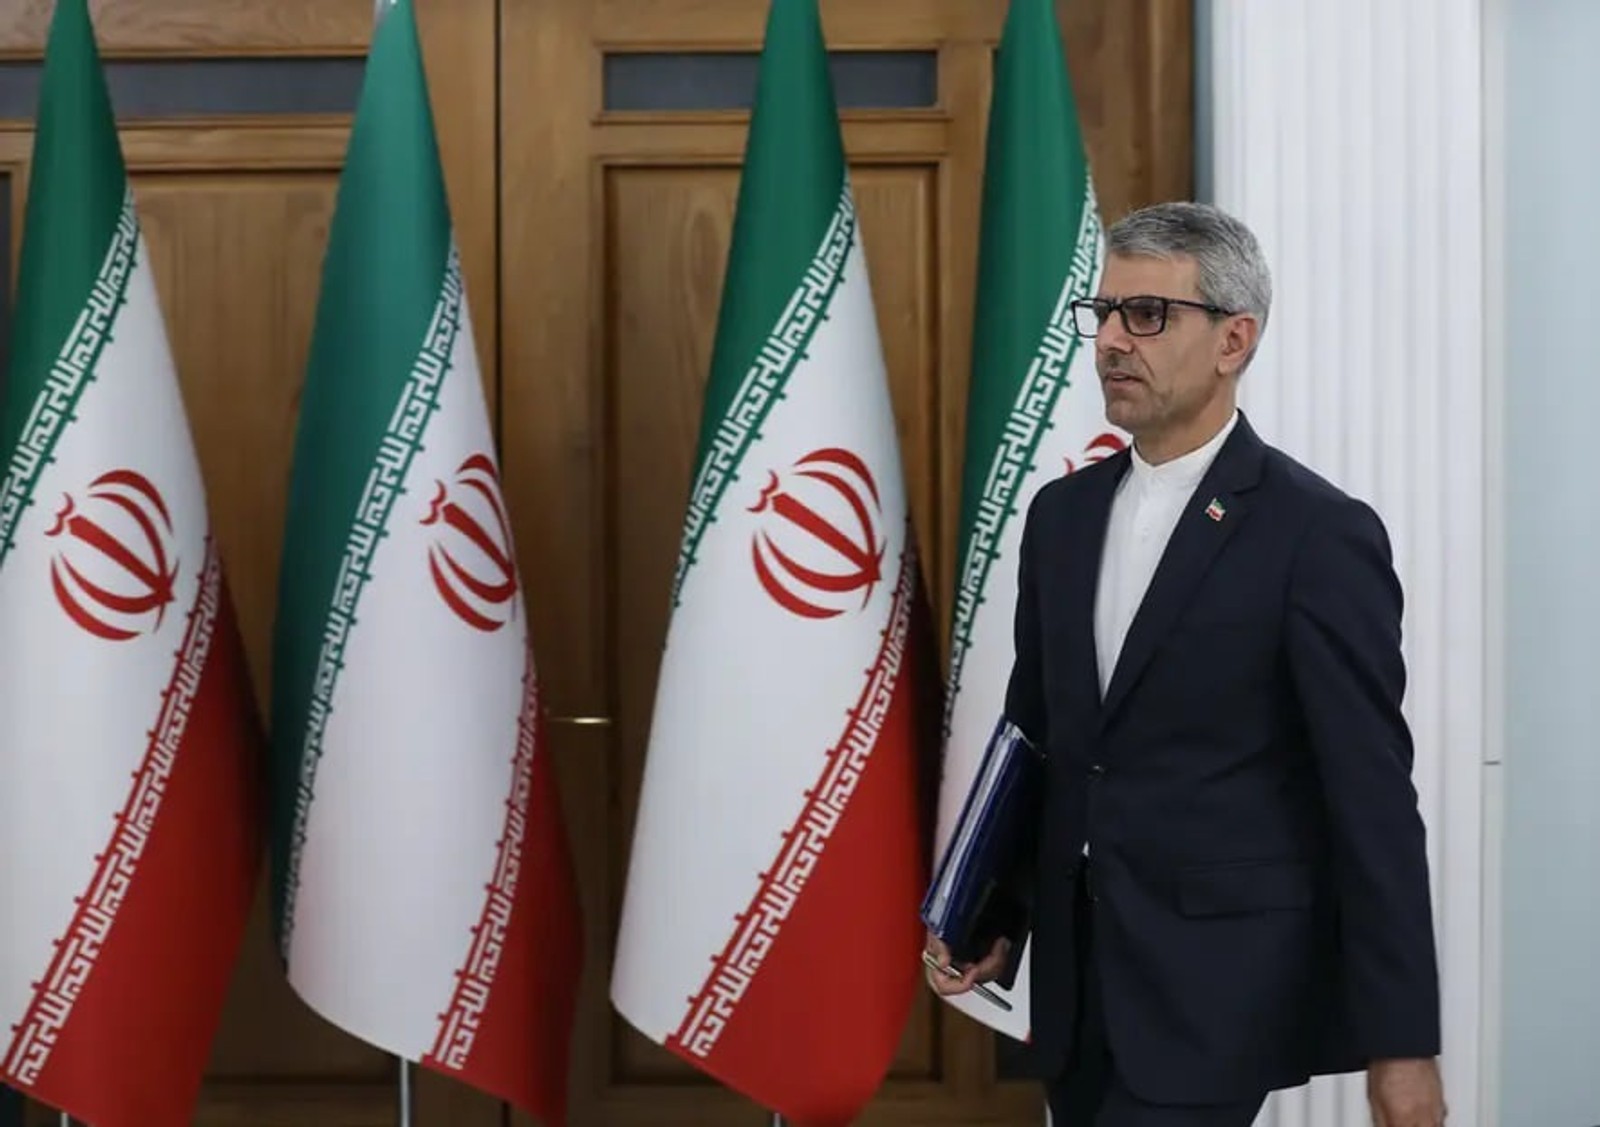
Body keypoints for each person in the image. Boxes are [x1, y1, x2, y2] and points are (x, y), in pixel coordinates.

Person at [926, 201, 1446, 1127]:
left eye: (1147, 314)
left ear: (1233, 340)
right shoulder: (1061, 517)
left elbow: (1372, 799)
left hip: (1216, 993)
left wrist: (1402, 1043)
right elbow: (1040, 737)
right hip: (1077, 993)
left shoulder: (1316, 534)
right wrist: (999, 910)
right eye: (1104, 313)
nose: (1111, 341)